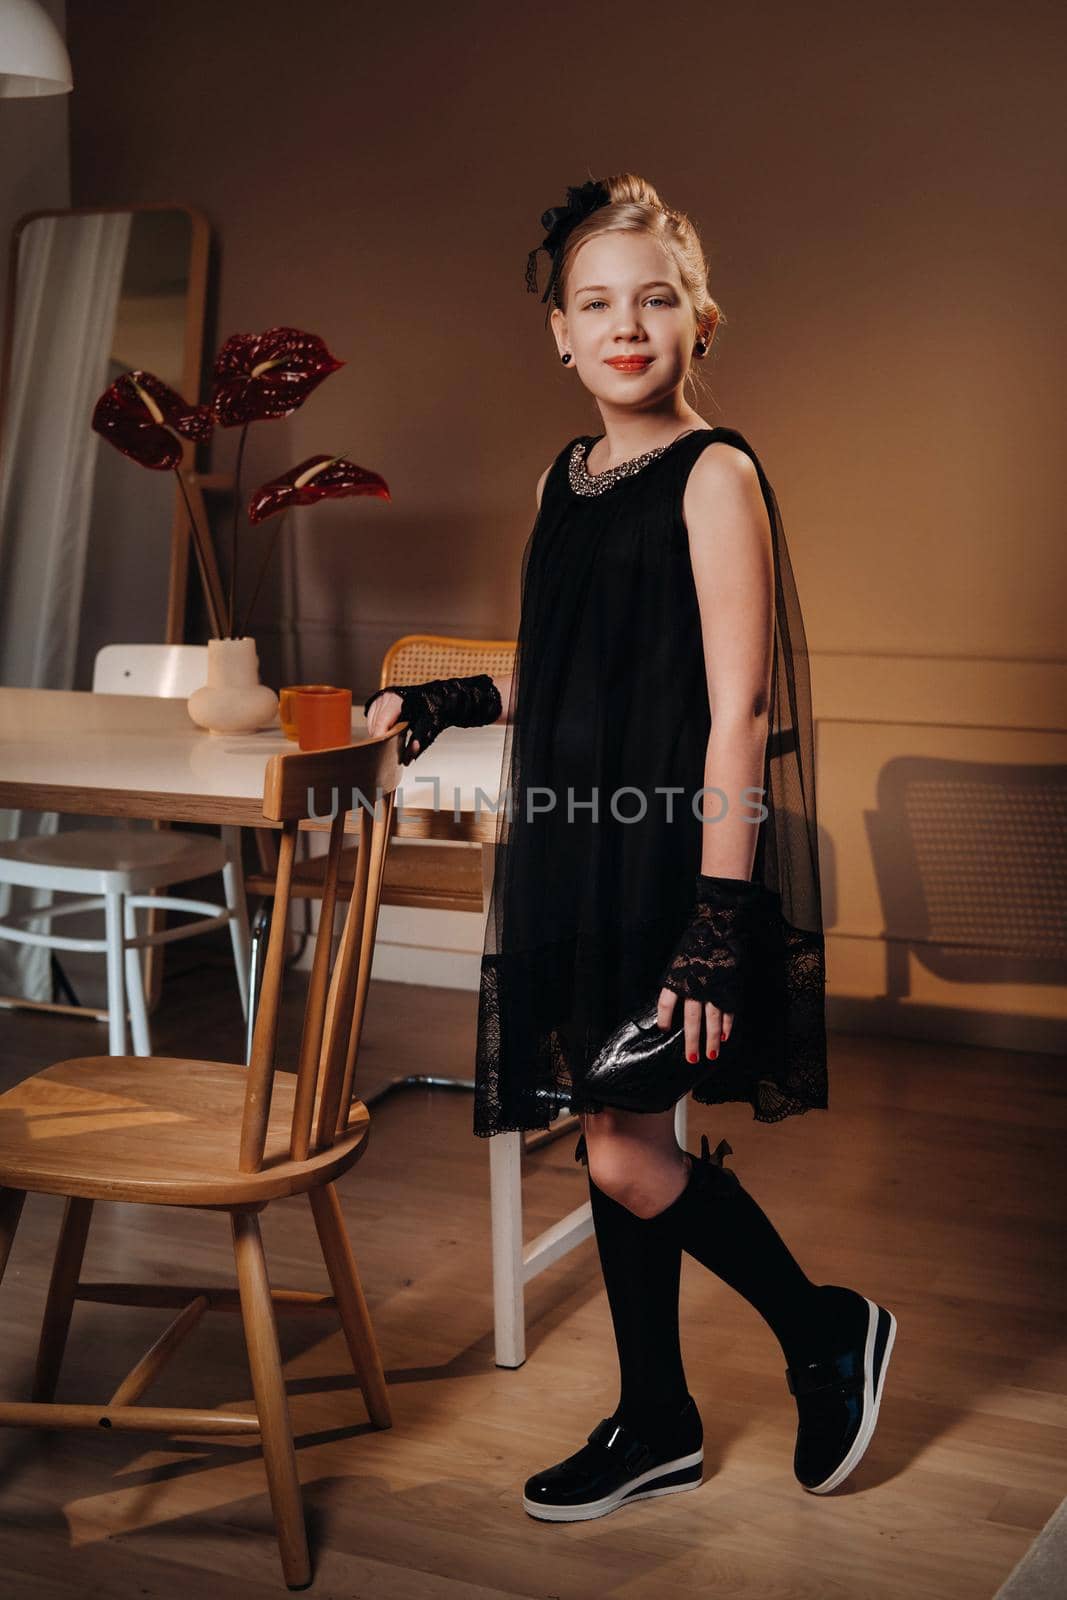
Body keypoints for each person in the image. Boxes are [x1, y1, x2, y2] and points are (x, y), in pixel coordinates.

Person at [364, 171, 896, 1523]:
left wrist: (718, 928)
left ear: (699, 319)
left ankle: (825, 1325)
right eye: (595, 302)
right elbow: (569, 667)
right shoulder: (572, 474)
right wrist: (457, 697)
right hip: (574, 857)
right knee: (613, 1125)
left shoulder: (716, 476)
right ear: (557, 330)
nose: (625, 324)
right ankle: (655, 1416)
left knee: (619, 1149)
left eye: (654, 299)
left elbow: (739, 709)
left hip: (669, 862)